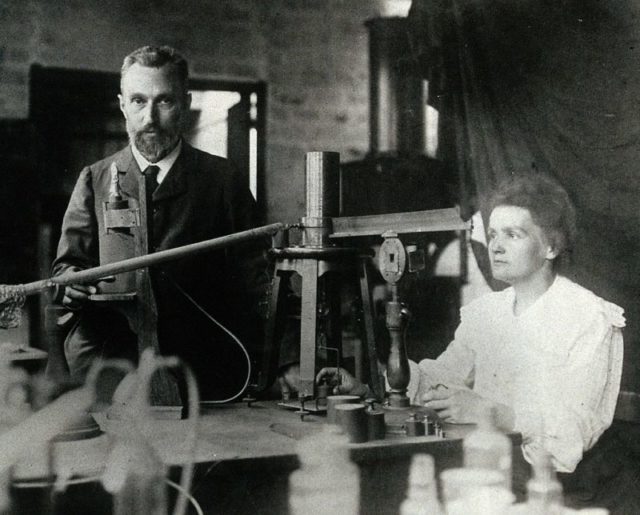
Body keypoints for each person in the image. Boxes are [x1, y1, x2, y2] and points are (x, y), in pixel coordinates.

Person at [318, 173, 624, 474]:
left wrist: (490, 413)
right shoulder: (489, 312)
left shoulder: (589, 317)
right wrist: (368, 388)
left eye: (512, 235)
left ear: (551, 248)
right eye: (492, 235)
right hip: (488, 464)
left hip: (559, 484)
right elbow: (440, 379)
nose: (496, 247)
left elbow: (576, 432)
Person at [51, 45, 268, 400]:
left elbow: (259, 281)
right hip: (111, 373)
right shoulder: (95, 179)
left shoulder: (222, 179)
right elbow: (67, 268)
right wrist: (70, 284)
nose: (149, 117)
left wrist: (288, 359)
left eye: (164, 101)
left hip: (204, 376)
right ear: (123, 105)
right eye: (138, 101)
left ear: (184, 102)